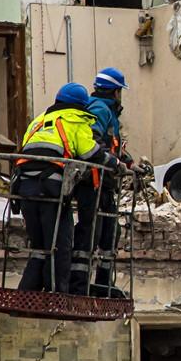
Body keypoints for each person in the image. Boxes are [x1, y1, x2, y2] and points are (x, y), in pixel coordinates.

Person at [12, 83, 117, 295]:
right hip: (50, 186)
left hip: (23, 187)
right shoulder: (75, 120)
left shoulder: (39, 121)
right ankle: (58, 295)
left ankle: (27, 292)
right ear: (81, 105)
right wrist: (116, 164)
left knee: (39, 245)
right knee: (60, 243)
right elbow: (90, 152)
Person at [72, 67, 132, 298]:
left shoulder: (107, 112)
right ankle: (80, 285)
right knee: (91, 231)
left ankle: (103, 283)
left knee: (110, 231)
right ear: (116, 91)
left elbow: (114, 145)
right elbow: (95, 143)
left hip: (104, 182)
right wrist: (114, 163)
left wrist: (129, 162)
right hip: (93, 181)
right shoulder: (99, 108)